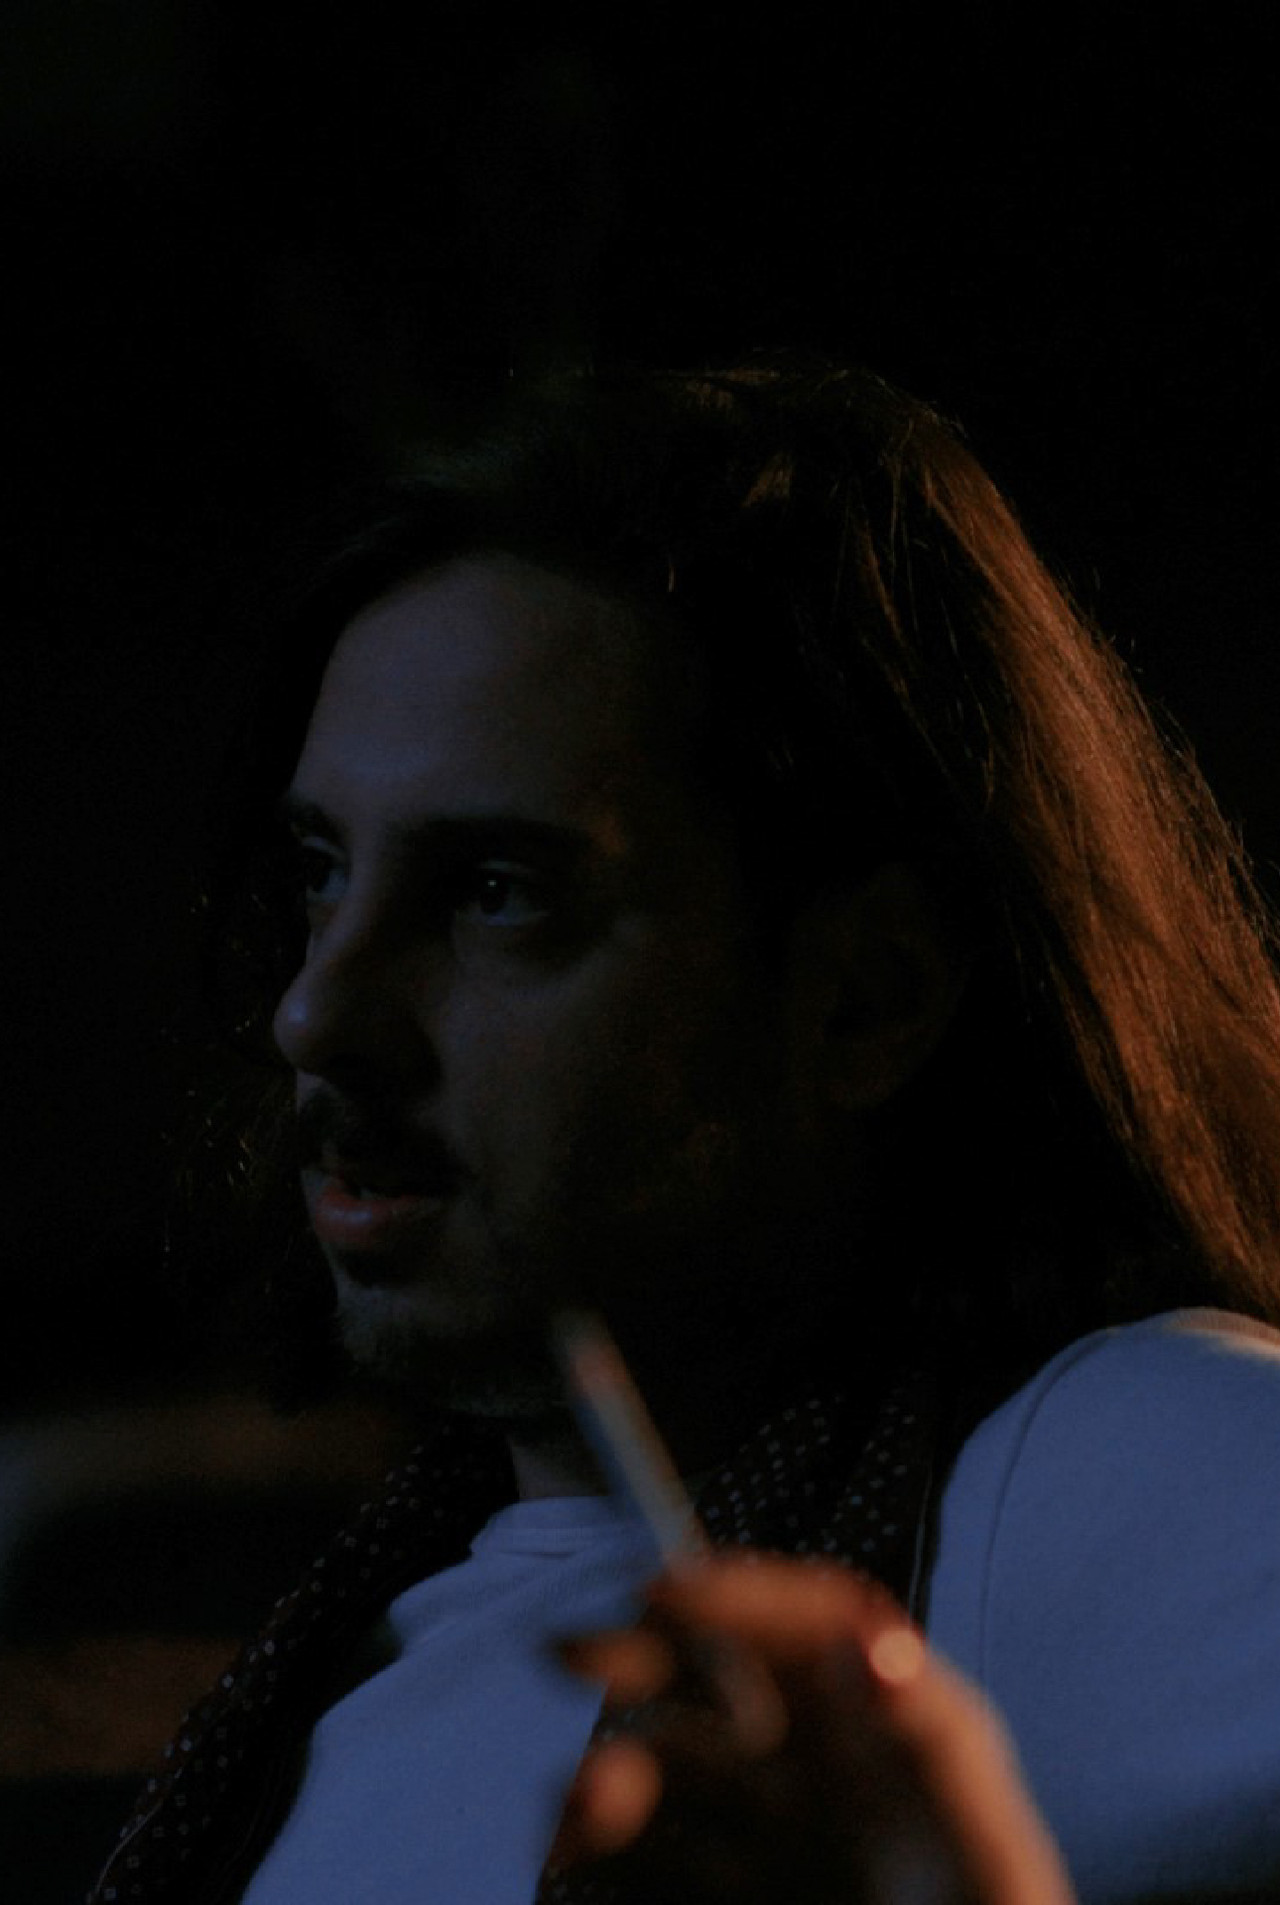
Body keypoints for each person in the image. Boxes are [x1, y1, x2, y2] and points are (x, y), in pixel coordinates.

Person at [89, 359, 1280, 1903]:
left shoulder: (1108, 1469)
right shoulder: (344, 1667)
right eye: (324, 870)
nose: (319, 1011)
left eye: (497, 892)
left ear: (867, 997)